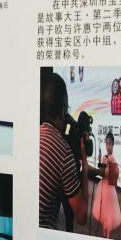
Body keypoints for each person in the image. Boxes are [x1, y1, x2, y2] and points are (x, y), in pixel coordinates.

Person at [38, 70, 87, 231]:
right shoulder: (63, 152)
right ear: (63, 110)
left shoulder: (32, 135)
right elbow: (82, 216)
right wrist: (85, 165)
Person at [92, 133, 121, 238]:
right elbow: (102, 171)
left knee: (109, 211)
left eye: (109, 144)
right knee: (103, 210)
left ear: (113, 144)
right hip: (103, 186)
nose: (108, 146)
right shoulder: (105, 157)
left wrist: (109, 164)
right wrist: (100, 161)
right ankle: (104, 232)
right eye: (106, 144)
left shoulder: (112, 159)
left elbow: (112, 173)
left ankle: (108, 235)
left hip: (109, 188)